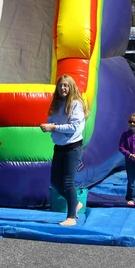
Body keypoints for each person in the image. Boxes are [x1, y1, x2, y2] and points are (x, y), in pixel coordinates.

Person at [40, 74, 89, 226]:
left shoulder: (76, 104)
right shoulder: (57, 104)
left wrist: (53, 127)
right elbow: (52, 120)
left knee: (68, 182)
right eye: (61, 85)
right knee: (55, 181)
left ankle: (71, 218)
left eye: (66, 85)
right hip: (59, 147)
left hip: (72, 147)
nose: (63, 88)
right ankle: (75, 204)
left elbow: (73, 127)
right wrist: (48, 125)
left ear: (71, 87)